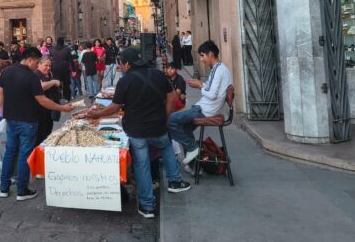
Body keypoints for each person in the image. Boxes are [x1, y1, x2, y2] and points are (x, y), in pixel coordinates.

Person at [84, 48, 191, 219]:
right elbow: (171, 97)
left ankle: (148, 206)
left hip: (137, 130)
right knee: (166, 147)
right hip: (158, 126)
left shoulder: (125, 81)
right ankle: (175, 181)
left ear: (126, 64)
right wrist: (166, 116)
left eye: (121, 64)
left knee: (142, 165)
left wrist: (96, 114)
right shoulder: (158, 75)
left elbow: (115, 107)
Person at [0, 47, 74, 201]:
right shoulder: (31, 77)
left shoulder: (7, 71)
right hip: (28, 121)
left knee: (10, 152)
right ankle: (21, 190)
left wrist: (4, 110)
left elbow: (1, 92)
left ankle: (4, 188)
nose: (37, 65)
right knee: (25, 154)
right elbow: (42, 100)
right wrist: (62, 108)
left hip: (11, 118)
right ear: (31, 60)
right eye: (38, 62)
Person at [168, 40, 232, 165]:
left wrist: (200, 85)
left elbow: (212, 94)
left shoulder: (219, 70)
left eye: (203, 56)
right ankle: (193, 165)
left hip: (204, 110)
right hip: (203, 107)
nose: (202, 59)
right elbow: (209, 88)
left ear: (211, 54)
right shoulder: (217, 69)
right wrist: (199, 85)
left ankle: (193, 149)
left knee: (170, 120)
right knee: (184, 129)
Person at [33, 57, 62, 146]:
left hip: (49, 111)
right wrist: (53, 82)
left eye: (50, 66)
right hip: (40, 112)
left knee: (47, 134)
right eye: (46, 65)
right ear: (39, 65)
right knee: (40, 136)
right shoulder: (36, 74)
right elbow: (41, 87)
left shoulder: (49, 74)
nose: (48, 68)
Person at [50, 37, 73, 101]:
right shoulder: (67, 49)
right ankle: (67, 98)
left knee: (56, 84)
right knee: (66, 84)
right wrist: (73, 70)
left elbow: (51, 59)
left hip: (56, 69)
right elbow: (71, 60)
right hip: (65, 69)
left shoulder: (52, 49)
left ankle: (57, 97)